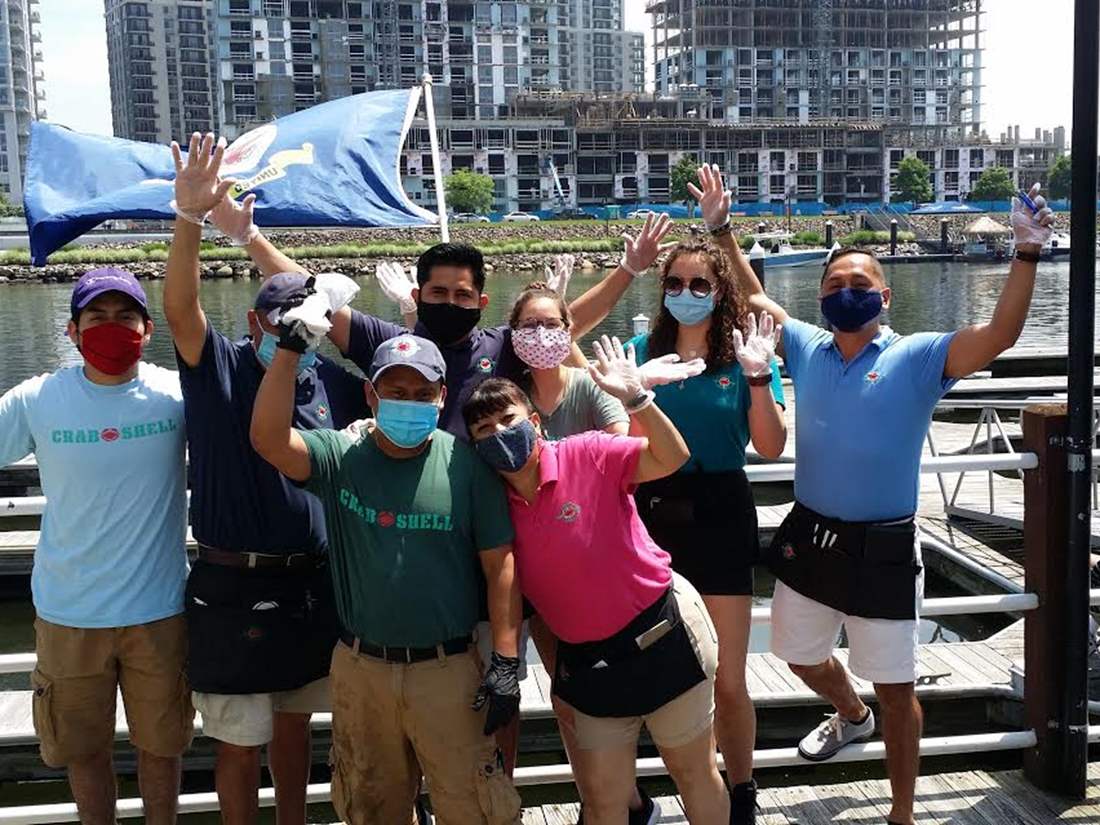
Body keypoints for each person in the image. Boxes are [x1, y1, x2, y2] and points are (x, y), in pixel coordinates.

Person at [692, 164, 1055, 825]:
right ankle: (848, 713)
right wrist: (721, 230)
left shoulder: (919, 356)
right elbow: (754, 301)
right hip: (811, 536)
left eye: (860, 284)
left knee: (897, 688)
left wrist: (1026, 250)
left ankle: (902, 813)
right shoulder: (804, 346)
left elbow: (999, 336)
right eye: (835, 284)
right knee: (798, 655)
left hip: (884, 546)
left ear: (884, 296)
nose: (845, 292)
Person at [339, 222, 672, 786]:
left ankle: (518, 794)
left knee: (523, 685)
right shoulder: (392, 346)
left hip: (509, 542)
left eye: (463, 294)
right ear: (417, 296)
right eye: (438, 293)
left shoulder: (496, 346)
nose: (451, 303)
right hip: (427, 550)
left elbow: (563, 330)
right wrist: (241, 234)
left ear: (481, 300)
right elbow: (317, 312)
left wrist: (628, 270)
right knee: (438, 693)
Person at [164, 132, 368, 825]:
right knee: (238, 743)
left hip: (315, 584)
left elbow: (374, 354)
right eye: (281, 318)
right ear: (255, 320)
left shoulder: (328, 385)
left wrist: (254, 238)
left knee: (297, 729)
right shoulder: (222, 367)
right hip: (234, 585)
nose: (294, 330)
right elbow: (181, 313)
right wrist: (190, 218)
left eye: (303, 319)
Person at [250, 332, 523, 825]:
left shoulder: (468, 464)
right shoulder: (340, 455)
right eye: (395, 393)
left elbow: (499, 563)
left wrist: (505, 660)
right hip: (362, 668)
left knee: (473, 807)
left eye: (423, 394)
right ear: (371, 396)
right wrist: (289, 350)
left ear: (443, 397)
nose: (409, 404)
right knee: (370, 806)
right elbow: (269, 440)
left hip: (448, 669)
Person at [463, 338, 729, 825]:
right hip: (588, 662)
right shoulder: (489, 506)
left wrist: (637, 400)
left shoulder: (589, 452)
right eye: (484, 429)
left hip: (663, 632)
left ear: (536, 422)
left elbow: (669, 458)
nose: (499, 433)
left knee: (694, 774)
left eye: (509, 420)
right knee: (604, 802)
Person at [0, 268, 192, 824]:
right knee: (82, 750)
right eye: (97, 317)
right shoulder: (37, 397)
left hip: (160, 610)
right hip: (68, 612)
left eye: (125, 316)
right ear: (72, 330)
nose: (112, 327)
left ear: (148, 327)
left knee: (163, 747)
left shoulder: (175, 394)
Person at [627, 236, 787, 824]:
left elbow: (771, 448)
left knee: (727, 675)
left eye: (700, 285)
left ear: (720, 293)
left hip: (720, 510)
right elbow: (617, 448)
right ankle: (658, 790)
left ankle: (739, 791)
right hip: (651, 514)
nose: (686, 295)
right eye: (674, 284)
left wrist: (759, 379)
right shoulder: (639, 351)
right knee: (654, 669)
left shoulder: (744, 356)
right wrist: (635, 391)